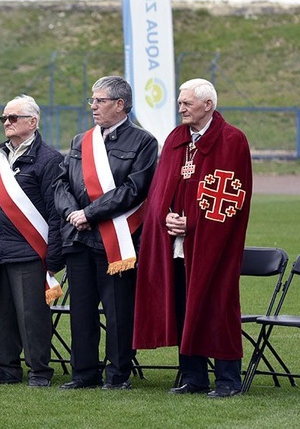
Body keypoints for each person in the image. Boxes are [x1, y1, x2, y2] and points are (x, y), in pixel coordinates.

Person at [133, 78, 252, 398]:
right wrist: (165, 216)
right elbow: (159, 190)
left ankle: (228, 380)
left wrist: (194, 224)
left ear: (208, 105)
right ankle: (193, 376)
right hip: (175, 244)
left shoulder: (231, 140)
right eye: (180, 102)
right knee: (184, 307)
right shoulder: (176, 138)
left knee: (217, 307)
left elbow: (230, 197)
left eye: (187, 102)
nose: (180, 107)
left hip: (214, 246)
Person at [53, 75, 157, 390]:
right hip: (78, 238)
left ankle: (117, 374)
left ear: (120, 104)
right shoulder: (79, 140)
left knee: (118, 312)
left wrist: (90, 213)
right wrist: (72, 213)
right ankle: (83, 374)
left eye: (100, 101)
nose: (93, 106)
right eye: (93, 100)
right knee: (81, 311)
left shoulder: (143, 142)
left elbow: (134, 189)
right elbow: (61, 183)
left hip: (115, 242)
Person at [0, 95, 63, 387]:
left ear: (32, 122)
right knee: (0, 315)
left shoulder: (49, 159)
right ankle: (4, 368)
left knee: (32, 314)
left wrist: (52, 257)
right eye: (4, 119)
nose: (7, 123)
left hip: (29, 251)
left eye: (13, 118)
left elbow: (54, 211)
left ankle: (39, 370)